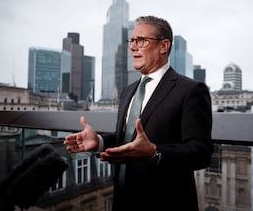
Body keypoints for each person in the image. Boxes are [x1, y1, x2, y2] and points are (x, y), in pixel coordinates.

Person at [63, 15, 213, 211]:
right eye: (132, 41)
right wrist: (99, 142)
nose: (133, 47)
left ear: (163, 46)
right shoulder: (128, 91)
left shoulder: (191, 90)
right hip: (123, 201)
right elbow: (128, 141)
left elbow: (201, 153)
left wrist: (154, 151)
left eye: (141, 40)